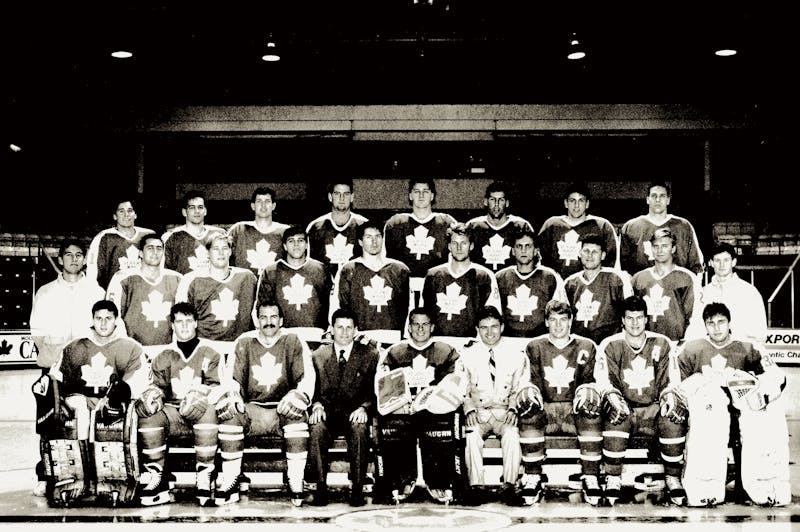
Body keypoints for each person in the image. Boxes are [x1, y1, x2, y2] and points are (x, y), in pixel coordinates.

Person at [677, 302, 788, 506]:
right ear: (705, 325)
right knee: (706, 429)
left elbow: (776, 377)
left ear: (729, 323)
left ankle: (764, 486)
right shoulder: (691, 349)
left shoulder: (749, 347)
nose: (717, 328)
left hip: (742, 412)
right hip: (707, 412)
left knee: (769, 422)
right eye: (711, 323)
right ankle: (705, 488)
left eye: (721, 322)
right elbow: (679, 384)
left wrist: (764, 397)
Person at [34, 300, 145, 506]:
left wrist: (109, 399)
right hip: (80, 400)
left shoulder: (131, 347)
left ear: (116, 320)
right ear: (92, 319)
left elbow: (135, 381)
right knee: (76, 413)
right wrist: (75, 398)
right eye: (98, 318)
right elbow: (55, 380)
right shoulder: (74, 347)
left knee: (111, 414)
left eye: (108, 319)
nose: (103, 324)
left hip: (112, 401)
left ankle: (113, 478)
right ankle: (68, 477)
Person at [216, 300, 316, 506]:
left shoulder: (294, 340)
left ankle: (296, 480)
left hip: (282, 408)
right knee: (231, 414)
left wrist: (298, 395)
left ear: (281, 320)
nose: (268, 322)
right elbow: (231, 379)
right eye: (263, 317)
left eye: (273, 317)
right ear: (257, 320)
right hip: (253, 409)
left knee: (297, 414)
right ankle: (231, 479)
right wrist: (233, 395)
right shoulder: (244, 342)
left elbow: (306, 378)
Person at [29, 238, 106, 496]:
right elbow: (38, 333)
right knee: (50, 423)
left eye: (79, 255)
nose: (74, 259)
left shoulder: (95, 291)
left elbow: (102, 328)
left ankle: (91, 473)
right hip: (54, 368)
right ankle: (46, 474)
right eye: (69, 255)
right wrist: (55, 364)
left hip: (88, 368)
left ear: (85, 259)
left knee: (90, 421)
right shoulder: (46, 291)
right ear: (60, 259)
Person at [595, 295, 686, 506]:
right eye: (630, 318)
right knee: (614, 412)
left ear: (647, 319)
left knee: (673, 416)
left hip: (653, 407)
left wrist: (669, 396)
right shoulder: (610, 344)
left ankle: (673, 478)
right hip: (625, 406)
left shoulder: (662, 343)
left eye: (639, 318)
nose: (635, 323)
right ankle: (613, 478)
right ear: (623, 320)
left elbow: (671, 380)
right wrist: (614, 398)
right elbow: (605, 381)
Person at [133, 302, 225, 507]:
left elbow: (219, 386)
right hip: (173, 412)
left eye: (188, 321)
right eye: (179, 322)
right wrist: (153, 395)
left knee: (207, 407)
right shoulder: (163, 355)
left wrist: (201, 393)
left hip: (201, 413)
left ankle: (204, 475)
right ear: (172, 325)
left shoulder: (211, 352)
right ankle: (156, 476)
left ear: (196, 324)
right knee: (150, 413)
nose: (184, 326)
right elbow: (158, 387)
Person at [374, 307, 468, 504]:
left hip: (434, 410)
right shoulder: (394, 352)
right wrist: (398, 404)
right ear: (409, 327)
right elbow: (382, 383)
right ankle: (401, 481)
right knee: (396, 425)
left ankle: (439, 482)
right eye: (416, 324)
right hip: (404, 409)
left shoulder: (447, 351)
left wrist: (432, 402)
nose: (420, 329)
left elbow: (457, 380)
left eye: (425, 324)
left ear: (432, 326)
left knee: (440, 424)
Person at [518, 300, 604, 505]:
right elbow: (529, 380)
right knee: (528, 406)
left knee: (590, 407)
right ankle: (533, 476)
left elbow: (592, 381)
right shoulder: (534, 346)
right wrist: (529, 391)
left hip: (573, 410)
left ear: (571, 321)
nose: (558, 325)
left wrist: (588, 391)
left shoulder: (586, 346)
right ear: (546, 322)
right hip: (546, 409)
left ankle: (590, 476)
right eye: (553, 320)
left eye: (563, 320)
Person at [305, 308, 380, 507]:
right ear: (331, 329)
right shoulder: (318, 355)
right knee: (317, 427)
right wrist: (317, 405)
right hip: (328, 413)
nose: (345, 332)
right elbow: (311, 389)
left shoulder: (370, 355)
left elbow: (375, 392)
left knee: (359, 428)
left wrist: (364, 408)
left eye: (349, 327)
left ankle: (357, 489)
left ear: (356, 330)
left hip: (354, 413)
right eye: (340, 327)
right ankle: (320, 489)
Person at [460, 306, 530, 505]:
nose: (489, 332)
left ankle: (509, 485)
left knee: (512, 435)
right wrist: (469, 408)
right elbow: (462, 387)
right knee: (472, 435)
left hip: (503, 410)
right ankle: (477, 487)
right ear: (477, 329)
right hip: (479, 412)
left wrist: (514, 408)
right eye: (484, 328)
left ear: (502, 327)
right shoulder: (467, 354)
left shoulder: (516, 355)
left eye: (494, 327)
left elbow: (520, 386)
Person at [175, 233, 258, 368]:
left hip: (238, 349)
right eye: (215, 249)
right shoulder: (191, 280)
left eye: (225, 248)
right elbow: (181, 320)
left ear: (230, 251)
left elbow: (257, 315)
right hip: (205, 348)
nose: (221, 253)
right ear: (207, 252)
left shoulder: (247, 278)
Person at [331, 219, 412, 346]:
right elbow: (337, 305)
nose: (374, 241)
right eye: (369, 237)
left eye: (378, 236)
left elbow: (410, 305)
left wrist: (407, 337)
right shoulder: (348, 269)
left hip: (393, 337)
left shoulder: (400, 269)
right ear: (360, 242)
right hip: (360, 339)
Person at [421, 222, 501, 345]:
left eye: (463, 243)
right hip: (437, 343)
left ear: (471, 246)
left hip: (471, 344)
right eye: (454, 243)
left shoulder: (484, 276)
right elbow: (422, 315)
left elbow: (492, 317)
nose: (459, 248)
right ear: (448, 246)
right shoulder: (433, 275)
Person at [106, 235, 183, 360]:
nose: (155, 252)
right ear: (141, 253)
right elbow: (113, 316)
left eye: (159, 248)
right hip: (134, 352)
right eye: (150, 248)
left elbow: (185, 318)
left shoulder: (177, 279)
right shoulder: (123, 278)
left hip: (169, 350)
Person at [384, 177, 458, 305]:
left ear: (432, 196)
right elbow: (386, 260)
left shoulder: (446, 222)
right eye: (417, 191)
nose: (421, 195)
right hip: (404, 287)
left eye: (426, 191)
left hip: (438, 286)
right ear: (410, 195)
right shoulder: (396, 223)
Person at [256, 225, 331, 346]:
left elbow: (329, 303)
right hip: (283, 337)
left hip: (315, 336)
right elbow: (262, 306)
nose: (296, 245)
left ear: (307, 245)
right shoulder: (271, 271)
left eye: (300, 241)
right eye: (291, 241)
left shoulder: (320, 269)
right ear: (285, 246)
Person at [495, 228, 566, 345]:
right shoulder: (500, 277)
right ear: (513, 251)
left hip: (539, 341)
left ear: (535, 251)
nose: (523, 250)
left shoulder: (550, 277)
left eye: (528, 246)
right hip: (507, 341)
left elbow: (561, 312)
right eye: (519, 246)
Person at [630, 228, 701, 343]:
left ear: (673, 248)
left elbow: (695, 315)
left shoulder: (686, 278)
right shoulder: (639, 278)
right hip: (645, 343)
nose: (659, 250)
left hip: (675, 342)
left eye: (664, 246)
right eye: (655, 246)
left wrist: (685, 342)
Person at [620, 181, 704, 277]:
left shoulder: (683, 226)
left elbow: (696, 264)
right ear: (647, 199)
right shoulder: (631, 226)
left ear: (668, 200)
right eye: (654, 196)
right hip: (642, 287)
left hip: (677, 286)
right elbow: (622, 267)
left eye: (662, 196)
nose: (658, 199)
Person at [538, 183, 619, 280]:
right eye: (572, 200)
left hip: (588, 283)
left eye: (581, 200)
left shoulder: (602, 226)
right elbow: (538, 256)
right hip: (555, 283)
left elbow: (611, 260)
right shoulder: (552, 224)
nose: (576, 205)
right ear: (566, 203)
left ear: (587, 204)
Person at [563, 233, 633, 344]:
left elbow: (631, 313)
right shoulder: (570, 283)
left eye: (595, 252)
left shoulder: (616, 279)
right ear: (579, 253)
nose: (589, 255)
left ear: (603, 255)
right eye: (586, 251)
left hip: (610, 344)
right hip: (579, 346)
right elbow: (563, 318)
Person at [694, 243, 768, 344]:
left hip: (740, 354)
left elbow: (760, 334)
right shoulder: (703, 293)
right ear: (711, 263)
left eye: (726, 260)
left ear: (733, 262)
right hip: (709, 355)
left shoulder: (749, 292)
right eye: (717, 260)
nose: (722, 265)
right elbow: (697, 330)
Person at [86, 198, 156, 290]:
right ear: (115, 216)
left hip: (144, 292)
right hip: (114, 293)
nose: (126, 215)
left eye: (130, 211)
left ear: (135, 215)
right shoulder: (104, 237)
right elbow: (93, 271)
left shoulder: (149, 235)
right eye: (121, 211)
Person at [306, 178, 369, 281]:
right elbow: (308, 265)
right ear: (330, 197)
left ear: (352, 197)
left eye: (346, 194)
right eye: (337, 193)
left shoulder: (364, 225)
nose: (342, 198)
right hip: (324, 288)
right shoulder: (315, 227)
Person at [464, 181, 535, 272]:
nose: (496, 204)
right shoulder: (473, 226)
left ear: (507, 203)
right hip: (481, 282)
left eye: (501, 200)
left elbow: (534, 258)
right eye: (492, 199)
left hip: (510, 282)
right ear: (486, 202)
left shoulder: (521, 225)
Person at [227, 186, 290, 277]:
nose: (263, 205)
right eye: (259, 201)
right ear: (253, 206)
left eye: (267, 201)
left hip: (273, 287)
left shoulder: (285, 232)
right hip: (244, 286)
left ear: (273, 206)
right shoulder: (239, 229)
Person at [162, 190, 226, 275]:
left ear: (205, 211)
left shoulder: (219, 234)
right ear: (184, 212)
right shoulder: (171, 237)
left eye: (200, 207)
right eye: (192, 207)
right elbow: (166, 273)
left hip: (214, 286)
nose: (197, 211)